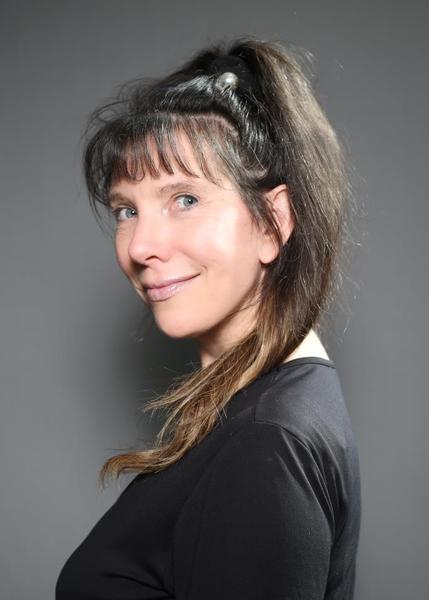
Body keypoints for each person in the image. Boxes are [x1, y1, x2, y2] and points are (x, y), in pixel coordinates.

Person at [55, 36, 361, 599]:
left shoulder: (266, 441)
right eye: (126, 210)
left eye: (185, 200)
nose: (140, 246)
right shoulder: (272, 408)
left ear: (272, 222)